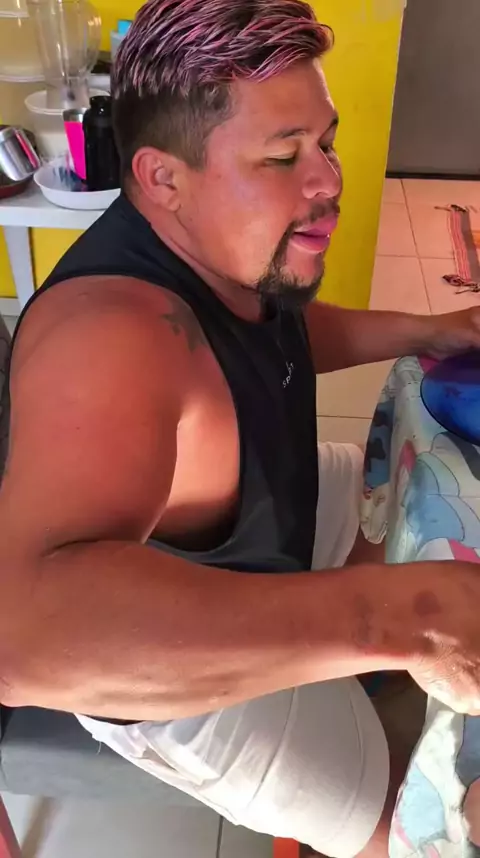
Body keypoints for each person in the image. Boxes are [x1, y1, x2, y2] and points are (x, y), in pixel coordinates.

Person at [1, 0, 480, 855]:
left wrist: (428, 330)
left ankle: (366, 655)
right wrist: (393, 618)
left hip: (271, 500)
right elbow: (22, 641)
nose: (327, 180)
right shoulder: (111, 342)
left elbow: (280, 333)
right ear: (163, 178)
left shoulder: (224, 249)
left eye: (326, 143)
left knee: (423, 485)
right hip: (177, 667)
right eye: (284, 156)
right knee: (415, 828)